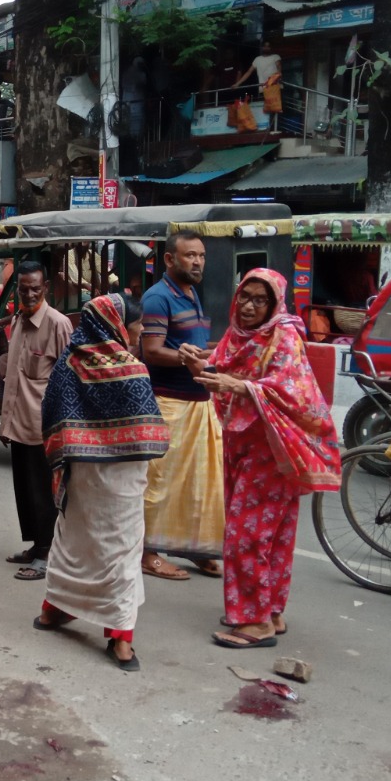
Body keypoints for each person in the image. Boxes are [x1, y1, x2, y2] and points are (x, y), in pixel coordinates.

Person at [182, 269, 340, 650]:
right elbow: (217, 373)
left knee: (245, 534)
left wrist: (241, 386)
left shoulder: (283, 335)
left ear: (274, 303)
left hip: (272, 450)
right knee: (273, 534)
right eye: (245, 297)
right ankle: (270, 610)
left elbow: (293, 391)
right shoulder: (240, 335)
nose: (249, 306)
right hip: (243, 446)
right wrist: (194, 365)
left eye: (260, 300)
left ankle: (254, 622)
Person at [35, 295, 171, 672]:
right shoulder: (131, 369)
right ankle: (121, 639)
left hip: (79, 474)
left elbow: (52, 413)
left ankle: (54, 611)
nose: (140, 329)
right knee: (121, 551)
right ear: (117, 324)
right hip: (122, 481)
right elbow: (152, 433)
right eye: (136, 323)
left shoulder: (68, 364)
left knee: (74, 542)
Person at [140, 230, 226, 581]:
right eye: (190, 255)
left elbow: (193, 345)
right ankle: (148, 552)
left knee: (200, 485)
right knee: (160, 484)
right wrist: (186, 359)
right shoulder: (158, 297)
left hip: (199, 402)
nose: (197, 261)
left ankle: (196, 548)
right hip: (169, 403)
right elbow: (152, 351)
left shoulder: (191, 293)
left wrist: (211, 355)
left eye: (201, 255)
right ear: (169, 259)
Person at [0, 260, 73, 580]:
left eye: (35, 289)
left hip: (43, 424)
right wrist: (4, 424)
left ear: (45, 289)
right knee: (24, 490)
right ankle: (35, 545)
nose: (29, 294)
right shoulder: (17, 320)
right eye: (23, 288)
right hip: (18, 422)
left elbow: (70, 379)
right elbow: (14, 376)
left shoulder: (57, 324)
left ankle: (46, 552)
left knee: (43, 491)